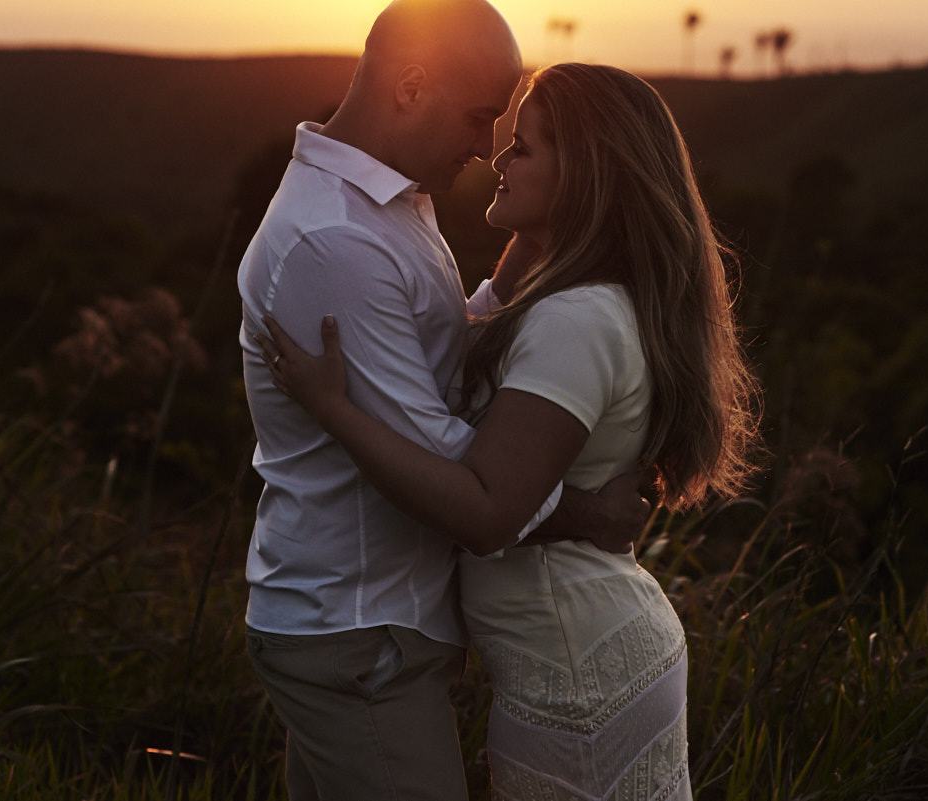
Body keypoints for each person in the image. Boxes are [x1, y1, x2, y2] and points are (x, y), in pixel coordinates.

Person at [256, 63, 762, 800]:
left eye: (523, 146)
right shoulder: (571, 300)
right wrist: (535, 226)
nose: (498, 157)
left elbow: (488, 511)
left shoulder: (575, 319)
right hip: (576, 652)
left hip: (579, 669)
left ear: (585, 174)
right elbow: (487, 316)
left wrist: (335, 411)